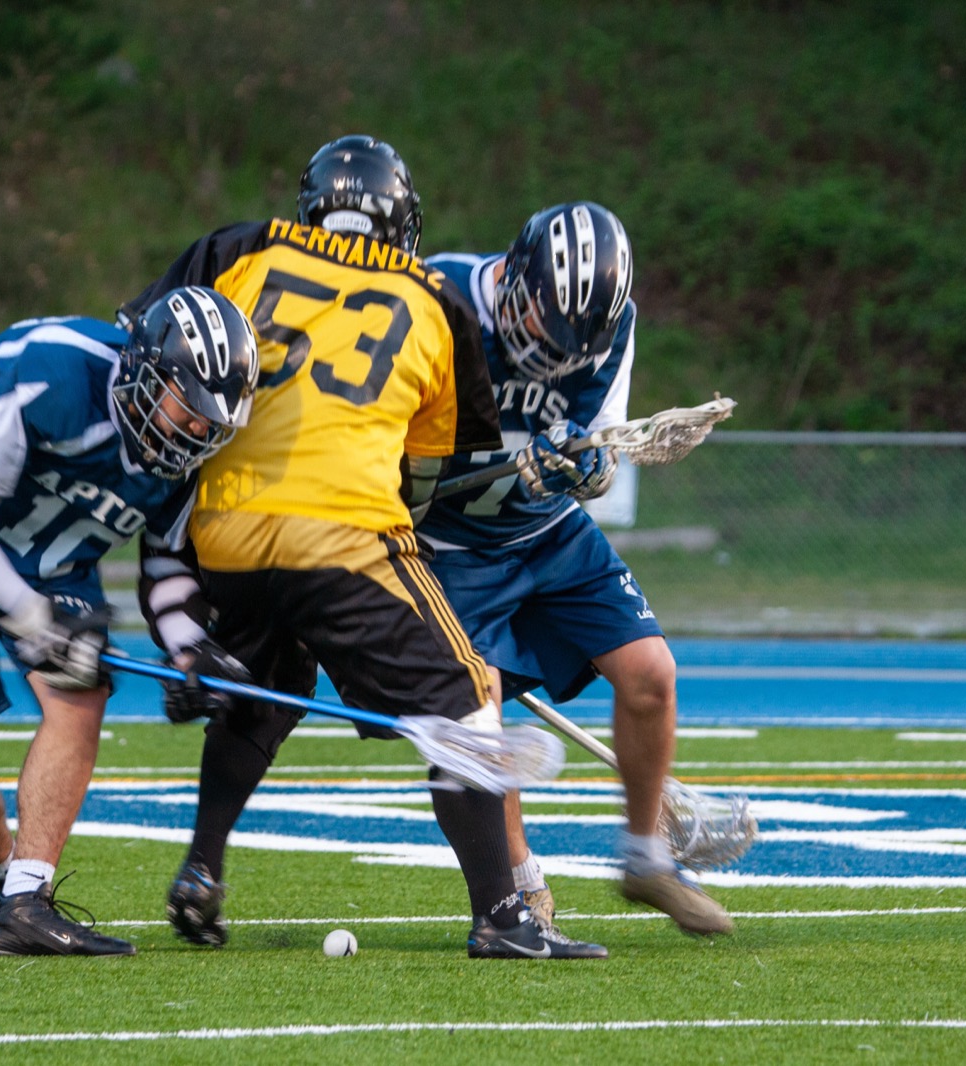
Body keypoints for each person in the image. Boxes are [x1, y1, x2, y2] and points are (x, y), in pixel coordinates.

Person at [119, 135, 606, 960]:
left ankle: (201, 871)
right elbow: (431, 475)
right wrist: (531, 468)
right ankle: (505, 915)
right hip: (344, 535)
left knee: (268, 681)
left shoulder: (240, 248)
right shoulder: (436, 299)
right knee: (466, 690)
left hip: (222, 535)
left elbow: (150, 342)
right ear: (403, 222)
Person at [0, 287, 260, 956]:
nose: (199, 433)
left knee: (80, 698)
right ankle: (2, 879)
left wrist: (190, 647)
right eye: (191, 408)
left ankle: (24, 904)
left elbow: (166, 561)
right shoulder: (50, 372)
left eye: (216, 421)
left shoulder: (182, 453)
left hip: (54, 556)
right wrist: (34, 618)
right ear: (144, 372)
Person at [420, 202, 734, 938]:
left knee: (652, 674)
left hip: (548, 532)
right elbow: (383, 453)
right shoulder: (436, 303)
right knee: (479, 706)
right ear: (515, 278)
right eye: (543, 329)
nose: (558, 357)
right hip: (448, 543)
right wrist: (499, 459)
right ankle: (520, 881)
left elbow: (592, 459)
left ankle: (646, 857)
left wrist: (582, 466)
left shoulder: (610, 324)